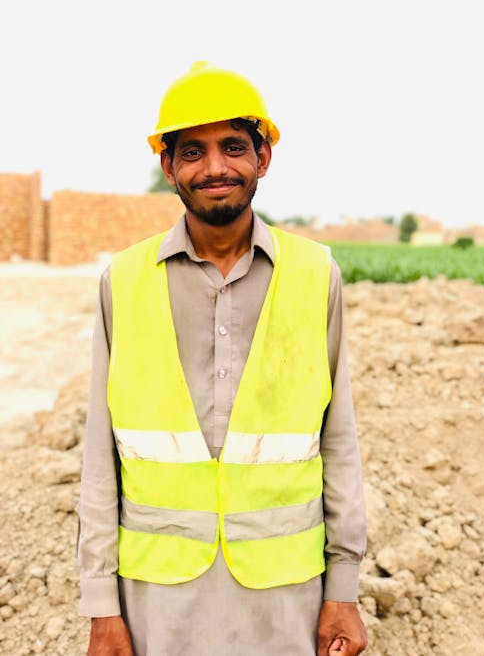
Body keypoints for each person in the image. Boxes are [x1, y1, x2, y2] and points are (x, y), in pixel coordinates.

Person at [77, 61, 367, 656]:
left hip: (285, 598)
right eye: (192, 151)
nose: (214, 167)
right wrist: (101, 606)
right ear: (168, 167)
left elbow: (339, 441)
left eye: (233, 147)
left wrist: (344, 589)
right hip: (157, 599)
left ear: (263, 158)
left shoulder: (316, 275)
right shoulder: (125, 280)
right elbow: (99, 453)